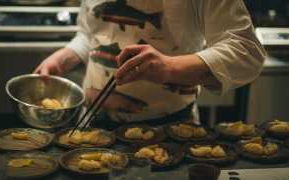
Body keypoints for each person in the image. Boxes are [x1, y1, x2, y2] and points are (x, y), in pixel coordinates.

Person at [34, 0, 265, 128]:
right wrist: (64, 57)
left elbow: (247, 51)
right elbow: (91, 34)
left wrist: (169, 68)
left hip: (171, 129)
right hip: (92, 121)